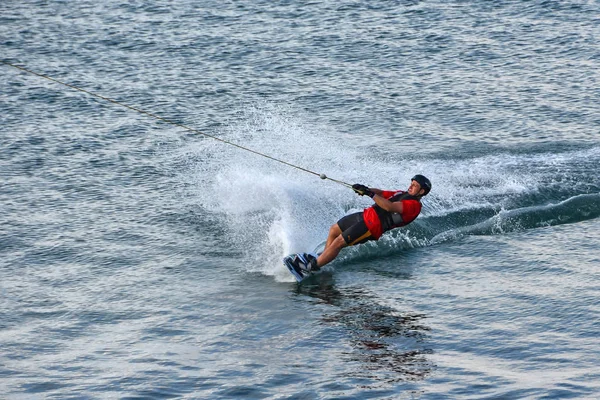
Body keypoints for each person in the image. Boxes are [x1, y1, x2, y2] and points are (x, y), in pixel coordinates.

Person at [290, 175, 431, 277]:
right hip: (365, 215)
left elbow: (390, 207)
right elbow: (381, 193)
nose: (411, 186)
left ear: (422, 191)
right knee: (334, 230)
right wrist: (366, 189)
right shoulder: (402, 193)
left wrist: (370, 194)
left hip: (372, 226)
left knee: (338, 242)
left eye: (415, 186)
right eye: (411, 183)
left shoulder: (414, 206)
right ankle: (322, 259)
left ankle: (309, 267)